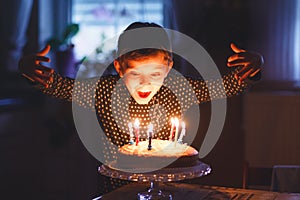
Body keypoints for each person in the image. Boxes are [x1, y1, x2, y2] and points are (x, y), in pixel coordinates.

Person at [18, 22, 263, 194]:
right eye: (135, 73)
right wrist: (33, 73)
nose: (145, 82)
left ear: (168, 67)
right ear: (119, 67)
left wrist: (252, 69)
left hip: (170, 191)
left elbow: (223, 87)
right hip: (117, 192)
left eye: (155, 73)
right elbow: (60, 87)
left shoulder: (178, 90)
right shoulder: (105, 92)